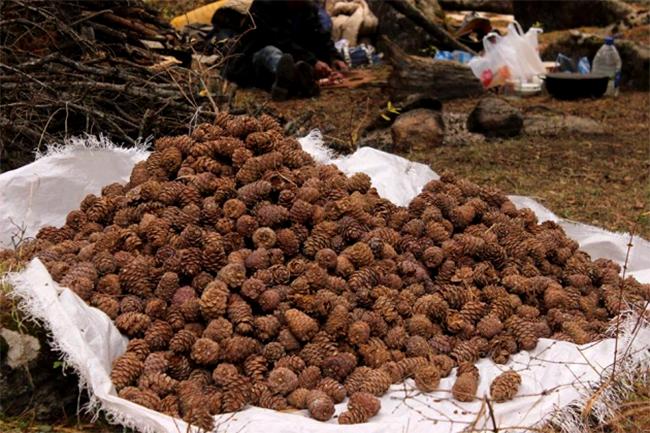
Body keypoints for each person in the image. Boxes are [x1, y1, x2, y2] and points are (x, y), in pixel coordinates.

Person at [213, 0, 348, 100]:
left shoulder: (307, 8)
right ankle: (293, 76)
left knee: (291, 59)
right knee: (271, 53)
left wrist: (333, 57)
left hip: (298, 58)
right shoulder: (264, 5)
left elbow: (319, 36)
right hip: (254, 60)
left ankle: (294, 80)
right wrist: (312, 61)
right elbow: (278, 39)